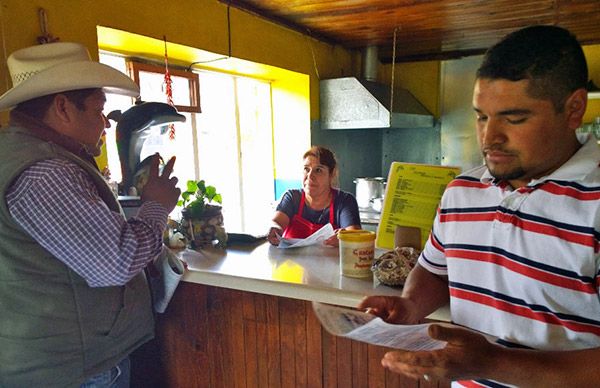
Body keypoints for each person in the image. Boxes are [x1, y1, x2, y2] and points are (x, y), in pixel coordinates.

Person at [359, 25, 600, 387]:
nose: (489, 138)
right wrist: (409, 306)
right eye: (481, 116)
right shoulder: (462, 193)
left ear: (573, 109)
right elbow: (435, 271)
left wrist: (491, 363)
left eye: (514, 118)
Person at [0, 42, 180, 387]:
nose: (105, 123)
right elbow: (116, 261)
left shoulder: (13, 151)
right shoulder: (45, 173)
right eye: (99, 110)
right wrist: (156, 205)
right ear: (63, 108)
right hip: (75, 369)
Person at [267, 145, 361, 246]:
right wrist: (274, 229)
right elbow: (277, 223)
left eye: (318, 170)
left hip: (330, 261)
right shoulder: (292, 198)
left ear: (332, 174)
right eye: (306, 169)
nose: (310, 176)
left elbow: (355, 236)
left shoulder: (344, 201)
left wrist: (345, 238)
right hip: (292, 261)